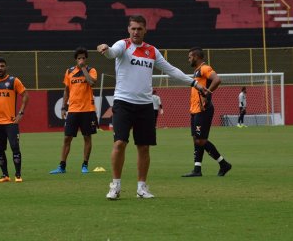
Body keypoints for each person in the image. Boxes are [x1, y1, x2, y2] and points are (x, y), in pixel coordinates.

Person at [97, 15, 207, 200]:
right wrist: (105, 49)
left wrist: (195, 84)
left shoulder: (152, 51)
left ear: (145, 30)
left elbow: (171, 70)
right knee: (120, 143)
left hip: (145, 105)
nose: (136, 32)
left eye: (139, 29)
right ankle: (115, 185)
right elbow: (112, 53)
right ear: (128, 29)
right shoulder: (122, 45)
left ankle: (142, 187)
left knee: (144, 147)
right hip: (123, 102)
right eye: (133, 28)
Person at [182, 47, 232, 178]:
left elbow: (217, 79)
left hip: (203, 109)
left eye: (190, 57)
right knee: (196, 139)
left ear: (196, 57)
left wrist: (207, 93)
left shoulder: (205, 68)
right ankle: (197, 169)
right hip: (195, 109)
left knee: (201, 140)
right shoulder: (197, 71)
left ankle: (223, 164)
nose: (188, 59)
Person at [49, 47, 98, 174]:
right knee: (67, 138)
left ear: (86, 59)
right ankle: (62, 166)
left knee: (87, 137)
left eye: (83, 58)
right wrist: (63, 107)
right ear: (76, 59)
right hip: (73, 110)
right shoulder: (69, 71)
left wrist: (83, 69)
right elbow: (66, 90)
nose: (81, 60)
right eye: (79, 58)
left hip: (88, 109)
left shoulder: (91, 70)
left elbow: (92, 83)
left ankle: (85, 165)